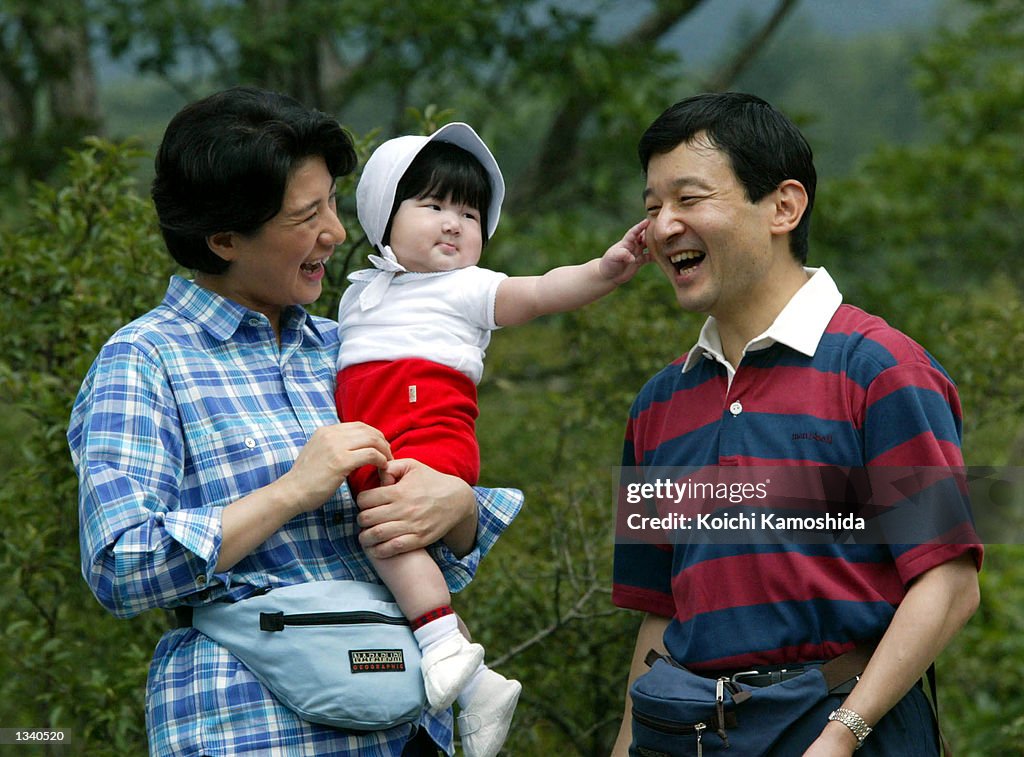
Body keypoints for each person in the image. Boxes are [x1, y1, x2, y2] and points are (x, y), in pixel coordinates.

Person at [67, 86, 523, 757]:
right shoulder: (146, 361)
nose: (335, 234)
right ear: (224, 239)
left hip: (401, 720)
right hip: (249, 726)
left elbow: (438, 549)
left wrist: (454, 504)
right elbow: (120, 566)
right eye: (306, 216)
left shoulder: (350, 347)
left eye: (333, 204)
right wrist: (291, 491)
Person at [610, 92, 982, 756]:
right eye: (651, 207)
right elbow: (660, 611)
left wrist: (843, 736)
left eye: (689, 200)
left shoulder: (879, 369)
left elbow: (949, 582)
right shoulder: (657, 403)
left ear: (784, 205)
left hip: (849, 731)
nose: (663, 227)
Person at [335, 123, 649, 756]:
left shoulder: (469, 288)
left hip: (431, 430)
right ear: (382, 217)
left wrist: (603, 269)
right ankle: (475, 686)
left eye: (469, 212)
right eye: (432, 205)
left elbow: (538, 293)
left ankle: (445, 642)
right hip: (381, 440)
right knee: (382, 538)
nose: (454, 223)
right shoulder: (359, 296)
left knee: (384, 533)